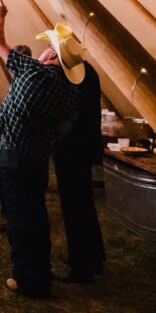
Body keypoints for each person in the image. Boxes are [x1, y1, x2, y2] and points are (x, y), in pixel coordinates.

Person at [0, 0, 80, 298]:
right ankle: (42, 273)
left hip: (12, 154)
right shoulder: (69, 91)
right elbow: (64, 128)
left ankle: (27, 279)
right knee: (38, 215)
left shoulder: (30, 70)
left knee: (17, 216)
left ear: (52, 52)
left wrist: (0, 15)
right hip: (39, 159)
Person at [52, 55, 105, 283]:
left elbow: (68, 114)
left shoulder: (72, 75)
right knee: (84, 202)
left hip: (71, 147)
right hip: (85, 145)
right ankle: (94, 256)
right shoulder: (88, 70)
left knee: (73, 205)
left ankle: (80, 266)